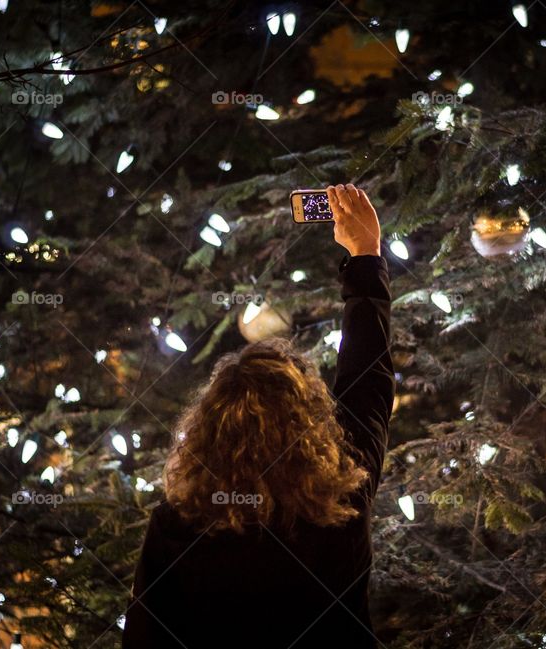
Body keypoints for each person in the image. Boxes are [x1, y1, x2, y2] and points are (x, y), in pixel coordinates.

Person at [122, 184, 394, 648]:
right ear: (309, 420)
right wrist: (366, 254)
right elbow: (367, 378)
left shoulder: (177, 524)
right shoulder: (341, 500)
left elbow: (147, 641)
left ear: (208, 428)